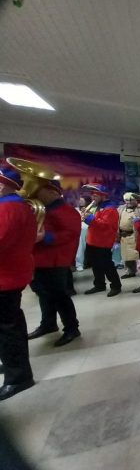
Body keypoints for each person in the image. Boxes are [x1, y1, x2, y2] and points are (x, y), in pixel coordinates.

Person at [28, 180, 82, 347]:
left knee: (60, 296)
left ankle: (72, 328)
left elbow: (71, 233)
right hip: (39, 259)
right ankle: (48, 323)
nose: (34, 193)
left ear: (53, 192)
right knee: (43, 294)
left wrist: (46, 237)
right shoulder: (41, 209)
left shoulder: (66, 210)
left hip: (55, 260)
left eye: (40, 190)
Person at [0, 165, 37, 400]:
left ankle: (18, 376)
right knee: (10, 325)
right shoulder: (19, 207)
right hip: (12, 272)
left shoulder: (8, 208)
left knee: (7, 329)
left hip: (5, 275)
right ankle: (13, 365)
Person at [82, 184, 122, 297]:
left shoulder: (110, 209)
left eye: (95, 196)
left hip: (103, 242)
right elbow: (96, 222)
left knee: (107, 265)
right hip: (93, 241)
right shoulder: (98, 207)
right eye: (92, 195)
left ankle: (116, 285)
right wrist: (88, 217)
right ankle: (99, 285)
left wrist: (89, 218)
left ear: (103, 196)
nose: (92, 198)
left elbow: (105, 225)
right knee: (95, 265)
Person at [117, 192, 140, 278]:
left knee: (138, 254)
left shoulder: (139, 209)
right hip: (123, 235)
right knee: (126, 256)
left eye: (130, 200)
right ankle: (130, 272)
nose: (128, 202)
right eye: (126, 200)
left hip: (134, 235)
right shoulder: (121, 208)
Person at [75, 196, 90, 271]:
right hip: (80, 231)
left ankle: (89, 263)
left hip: (90, 230)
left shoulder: (90, 209)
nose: (80, 202)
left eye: (82, 200)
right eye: (79, 200)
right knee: (80, 247)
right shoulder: (76, 210)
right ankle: (79, 264)